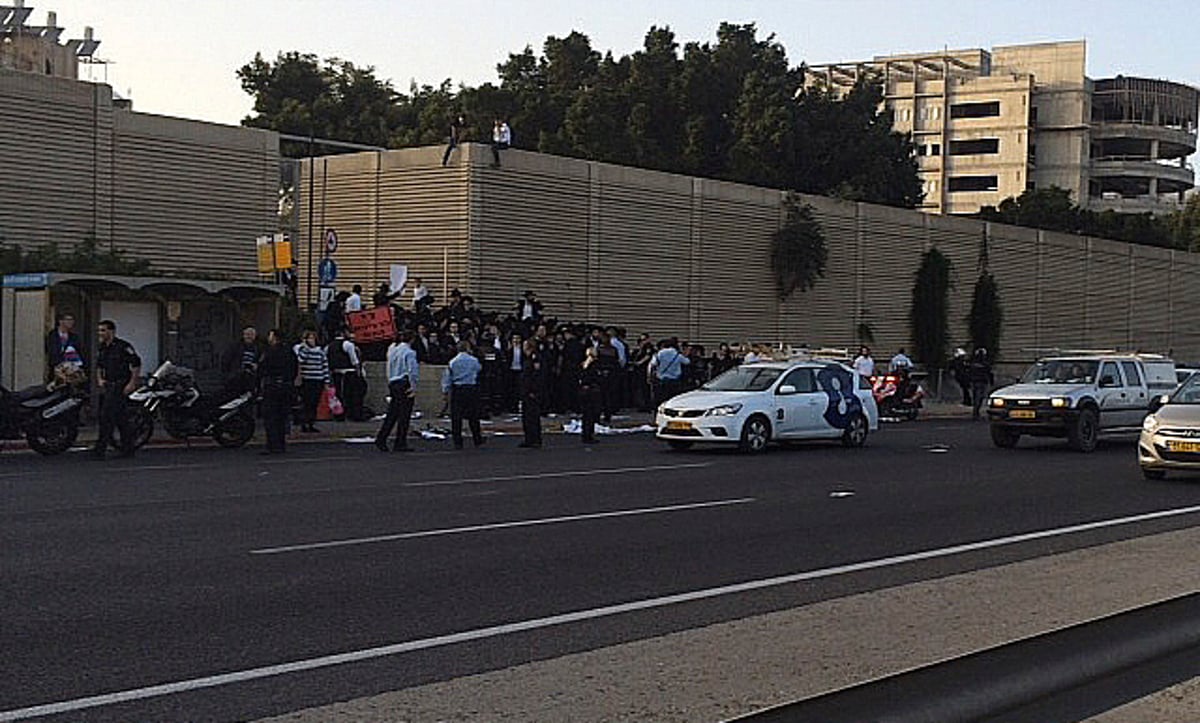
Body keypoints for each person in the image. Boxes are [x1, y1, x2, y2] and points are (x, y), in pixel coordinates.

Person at [92, 319, 141, 460]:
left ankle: (99, 450)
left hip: (120, 384)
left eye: (103, 330)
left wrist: (132, 383)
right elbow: (99, 365)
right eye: (99, 330)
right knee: (121, 419)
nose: (100, 333)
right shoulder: (102, 347)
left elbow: (136, 364)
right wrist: (99, 379)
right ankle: (128, 448)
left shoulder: (123, 347)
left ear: (111, 331)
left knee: (106, 417)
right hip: (108, 385)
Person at [375, 330, 419, 452]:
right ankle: (400, 442)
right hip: (404, 382)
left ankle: (382, 437)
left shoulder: (392, 350)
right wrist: (413, 387)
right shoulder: (410, 352)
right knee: (404, 415)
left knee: (392, 413)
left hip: (394, 382)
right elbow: (412, 371)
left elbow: (388, 367)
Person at [258, 329, 297, 454]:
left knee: (271, 417)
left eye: (270, 336)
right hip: (286, 386)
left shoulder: (270, 352)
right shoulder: (289, 351)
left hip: (272, 387)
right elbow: (294, 368)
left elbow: (263, 368)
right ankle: (281, 444)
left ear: (275, 338)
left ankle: (272, 445)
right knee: (282, 416)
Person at [442, 340, 485, 449]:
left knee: (456, 417)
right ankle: (477, 438)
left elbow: (447, 378)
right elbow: (479, 369)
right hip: (471, 388)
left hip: (458, 389)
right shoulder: (473, 360)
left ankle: (458, 441)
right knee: (474, 416)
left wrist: (445, 391)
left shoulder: (453, 362)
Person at [293, 330, 330, 433]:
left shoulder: (320, 351)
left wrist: (326, 381)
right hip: (307, 379)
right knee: (306, 402)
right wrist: (306, 348)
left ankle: (311, 423)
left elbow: (325, 366)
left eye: (313, 338)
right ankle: (304, 423)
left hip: (318, 379)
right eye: (309, 338)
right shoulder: (302, 350)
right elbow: (301, 360)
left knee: (314, 403)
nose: (311, 340)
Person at [326, 330, 362, 421]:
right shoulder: (347, 344)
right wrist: (358, 372)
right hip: (349, 372)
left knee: (338, 394)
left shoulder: (329, 346)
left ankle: (339, 414)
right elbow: (354, 360)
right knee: (350, 395)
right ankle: (351, 414)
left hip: (335, 372)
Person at [518, 339, 544, 448]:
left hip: (531, 392)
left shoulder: (535, 359)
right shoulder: (527, 359)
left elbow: (536, 377)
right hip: (526, 391)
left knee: (532, 416)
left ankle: (535, 439)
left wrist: (533, 391)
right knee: (527, 417)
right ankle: (529, 438)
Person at [220, 326, 261, 394]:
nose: (249, 337)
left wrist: (256, 366)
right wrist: (228, 375)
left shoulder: (258, 348)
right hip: (236, 378)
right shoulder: (235, 346)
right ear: (243, 335)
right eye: (247, 334)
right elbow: (225, 361)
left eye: (251, 334)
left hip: (250, 380)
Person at [45, 312, 85, 379]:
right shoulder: (52, 335)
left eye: (72, 320)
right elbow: (51, 352)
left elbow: (79, 352)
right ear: (61, 321)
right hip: (57, 369)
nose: (71, 322)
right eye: (68, 320)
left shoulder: (74, 337)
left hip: (71, 370)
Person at [651, 338, 690, 406]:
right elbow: (687, 362)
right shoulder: (677, 354)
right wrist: (685, 353)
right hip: (675, 380)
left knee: (662, 398)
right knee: (672, 398)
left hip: (662, 379)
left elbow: (653, 363)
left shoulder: (660, 353)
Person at [578, 346, 604, 444]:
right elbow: (594, 377)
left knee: (587, 415)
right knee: (590, 414)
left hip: (586, 391)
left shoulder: (585, 364)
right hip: (592, 392)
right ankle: (588, 435)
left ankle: (587, 434)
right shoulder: (593, 365)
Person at [969, 347, 995, 421]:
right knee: (979, 398)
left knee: (976, 398)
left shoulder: (973, 364)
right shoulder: (985, 364)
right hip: (982, 382)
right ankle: (976, 414)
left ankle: (975, 413)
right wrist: (991, 382)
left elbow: (969, 373)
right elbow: (989, 373)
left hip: (975, 382)